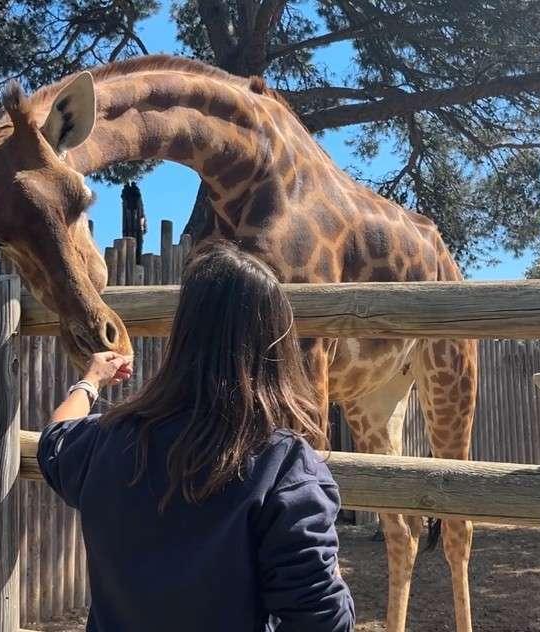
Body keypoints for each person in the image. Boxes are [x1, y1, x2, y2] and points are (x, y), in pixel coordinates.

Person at [38, 240, 355, 632]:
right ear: (273, 343)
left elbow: (54, 439)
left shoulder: (105, 441)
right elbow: (322, 619)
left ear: (182, 336)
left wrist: (91, 381)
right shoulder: (283, 465)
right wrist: (335, 576)